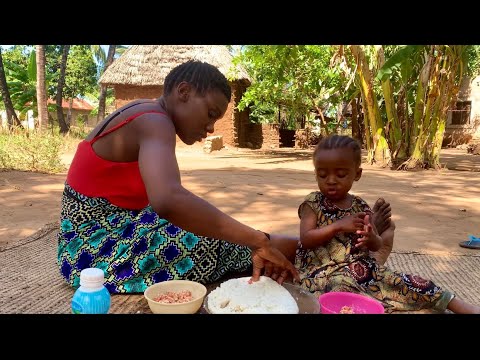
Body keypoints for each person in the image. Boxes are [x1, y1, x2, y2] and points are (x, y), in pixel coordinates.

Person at [57, 60, 299, 294]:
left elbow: (171, 203)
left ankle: (290, 246)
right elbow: (168, 200)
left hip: (120, 225)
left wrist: (252, 238)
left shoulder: (149, 113)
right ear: (183, 91)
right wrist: (256, 239)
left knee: (209, 223)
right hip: (90, 251)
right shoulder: (155, 121)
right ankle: (287, 248)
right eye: (211, 113)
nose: (212, 128)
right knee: (207, 242)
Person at [295, 134, 480, 313]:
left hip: (362, 268)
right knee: (341, 292)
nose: (331, 181)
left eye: (341, 174)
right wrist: (338, 225)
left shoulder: (359, 206)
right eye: (322, 175)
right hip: (322, 272)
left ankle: (459, 306)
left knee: (410, 282)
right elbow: (306, 239)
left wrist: (371, 237)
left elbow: (376, 244)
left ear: (357, 174)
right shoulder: (313, 203)